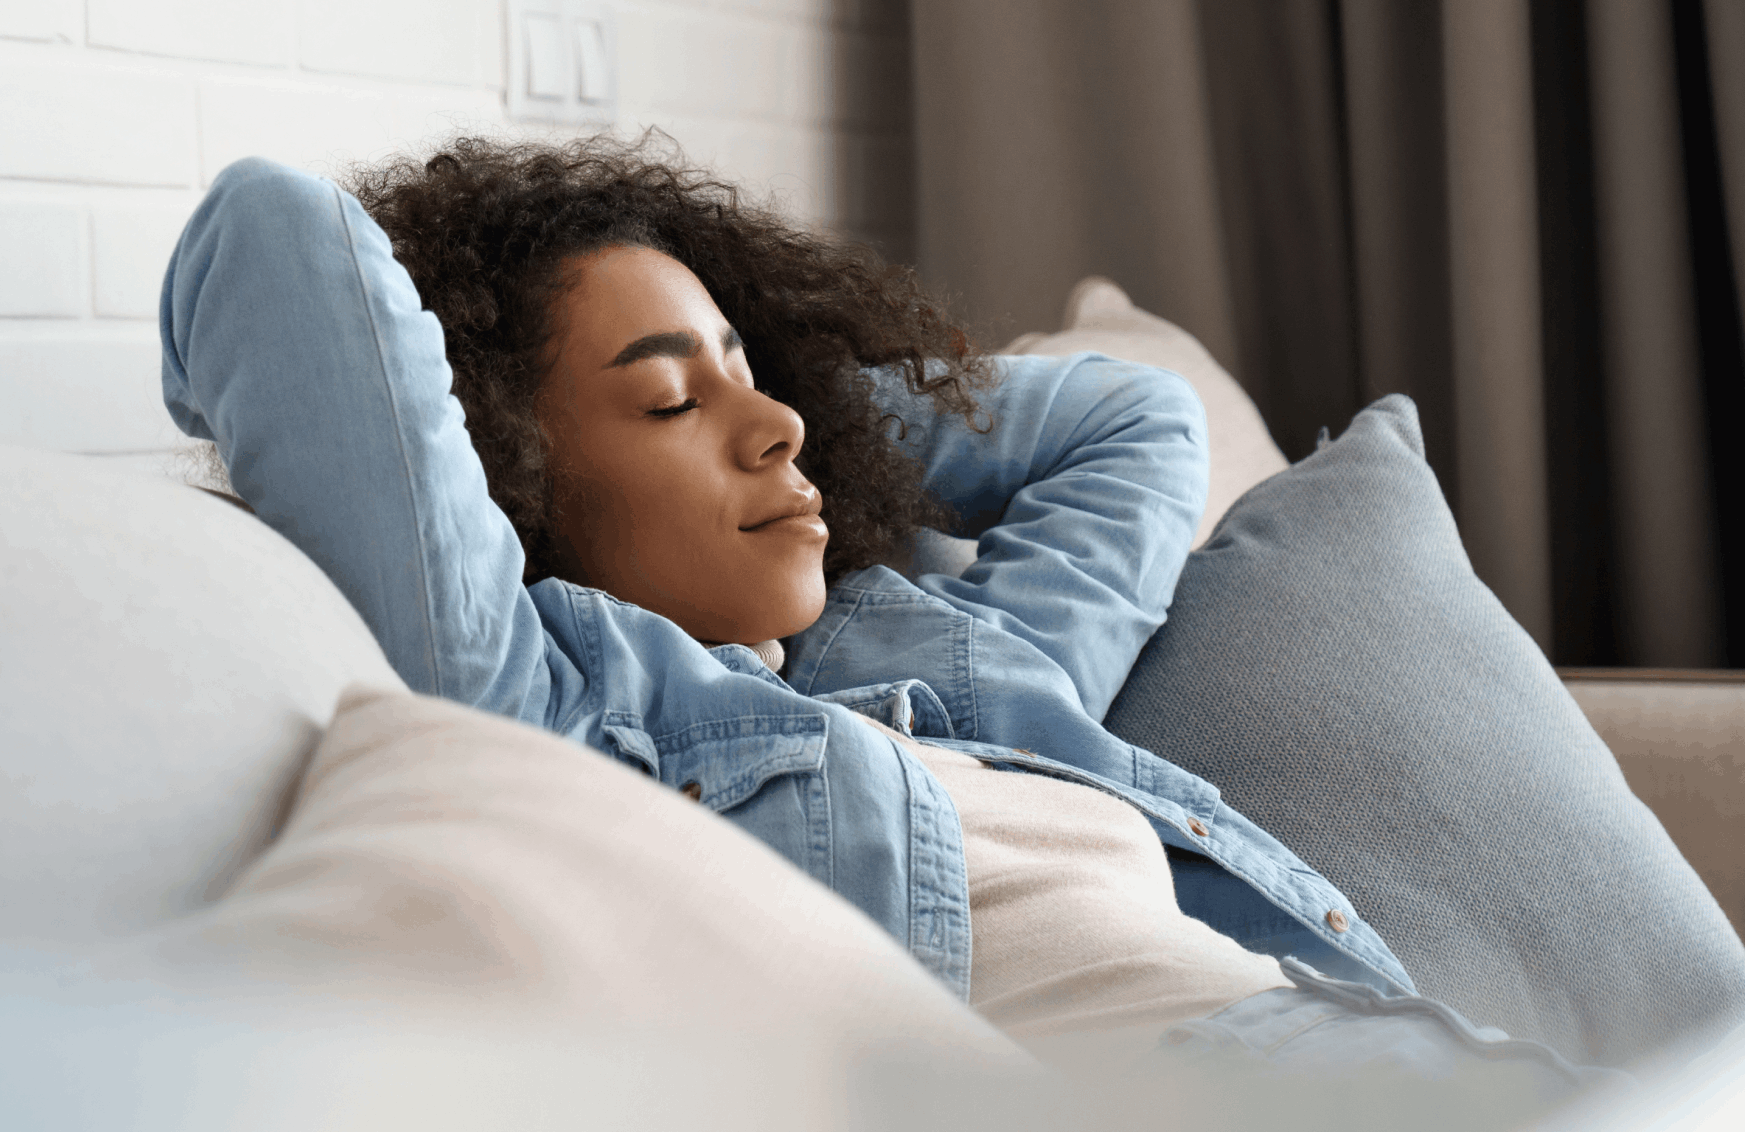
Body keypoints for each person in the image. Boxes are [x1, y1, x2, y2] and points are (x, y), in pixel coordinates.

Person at [158, 135, 1621, 1110]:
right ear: (506, 474)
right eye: (669, 399)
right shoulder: (557, 701)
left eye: (759, 376)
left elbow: (1135, 425)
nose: (777, 426)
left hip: (1406, 1050)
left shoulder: (952, 666)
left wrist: (788, 390)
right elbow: (277, 236)